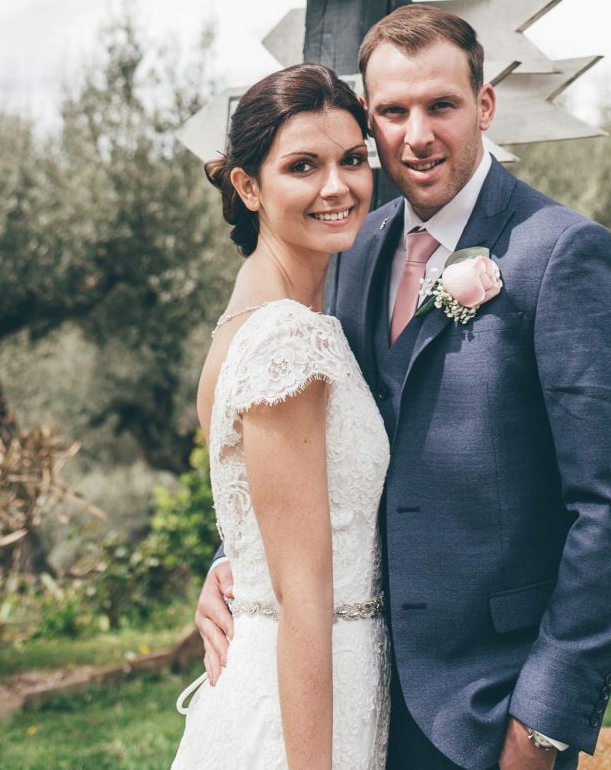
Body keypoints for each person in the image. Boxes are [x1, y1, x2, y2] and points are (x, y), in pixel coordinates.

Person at [197, 6, 611, 770]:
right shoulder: (354, 240)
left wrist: (541, 723)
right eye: (393, 111)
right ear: (372, 121)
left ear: (483, 105)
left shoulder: (561, 253)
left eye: (440, 105)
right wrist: (237, 562)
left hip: (490, 715)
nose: (417, 134)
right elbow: (305, 437)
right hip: (357, 698)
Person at [171, 62, 391, 770]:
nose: (338, 185)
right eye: (304, 165)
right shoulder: (286, 341)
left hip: (312, 676)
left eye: (353, 159)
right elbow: (303, 597)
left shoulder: (246, 321)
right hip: (304, 706)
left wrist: (229, 567)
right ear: (247, 185)